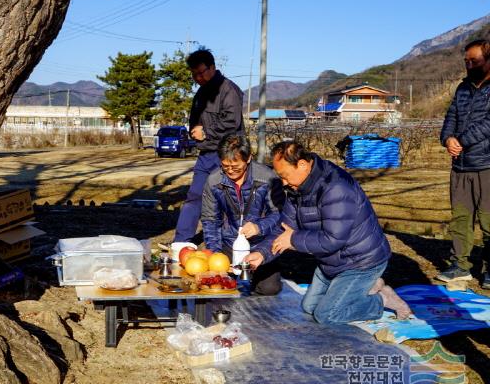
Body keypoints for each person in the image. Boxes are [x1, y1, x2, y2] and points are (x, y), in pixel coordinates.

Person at [246, 141, 412, 323]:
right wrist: (261, 254)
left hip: (361, 261)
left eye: (285, 176)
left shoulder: (336, 188)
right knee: (309, 307)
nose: (283, 182)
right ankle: (364, 288)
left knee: (326, 315)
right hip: (332, 261)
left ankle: (381, 299)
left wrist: (293, 239)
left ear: (301, 164)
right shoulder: (297, 188)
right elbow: (284, 228)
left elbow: (333, 239)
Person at [173, 48, 245, 243]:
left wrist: (205, 131)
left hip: (227, 154)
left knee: (225, 200)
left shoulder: (228, 89)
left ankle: (225, 243)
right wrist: (194, 132)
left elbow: (232, 121)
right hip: (205, 153)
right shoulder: (201, 93)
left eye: (202, 72)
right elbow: (194, 121)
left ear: (212, 67)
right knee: (194, 196)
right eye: (194, 74)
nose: (198, 77)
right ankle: (181, 242)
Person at [201, 134, 284, 295]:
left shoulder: (267, 178)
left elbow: (279, 214)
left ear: (248, 159)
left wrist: (259, 227)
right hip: (229, 244)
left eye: (236, 167)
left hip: (261, 244)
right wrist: (215, 254)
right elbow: (210, 220)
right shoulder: (214, 181)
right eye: (225, 166)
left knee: (269, 289)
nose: (230, 171)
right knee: (219, 286)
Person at [438, 39, 490, 289]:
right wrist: (447, 138)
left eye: (474, 60)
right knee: (460, 218)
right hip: (461, 166)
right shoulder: (463, 88)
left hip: (487, 164)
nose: (469, 65)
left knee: (489, 221)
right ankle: (460, 265)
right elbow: (451, 116)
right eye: (466, 61)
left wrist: (461, 140)